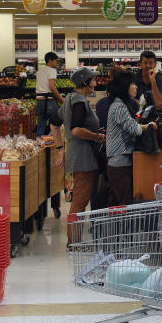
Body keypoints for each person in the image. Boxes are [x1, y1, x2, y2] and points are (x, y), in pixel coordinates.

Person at [60, 67, 106, 243]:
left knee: (80, 199)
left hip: (76, 154)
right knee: (80, 201)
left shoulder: (69, 99)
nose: (95, 82)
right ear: (85, 83)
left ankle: (74, 241)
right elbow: (77, 130)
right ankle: (74, 242)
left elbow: (54, 122)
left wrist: (59, 149)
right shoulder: (79, 101)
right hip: (83, 157)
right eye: (93, 80)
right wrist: (97, 137)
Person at [102, 70, 156, 206]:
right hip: (120, 163)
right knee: (125, 203)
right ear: (124, 86)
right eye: (132, 83)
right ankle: (123, 228)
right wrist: (149, 126)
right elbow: (134, 129)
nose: (136, 87)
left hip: (118, 162)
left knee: (116, 203)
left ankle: (115, 227)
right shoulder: (119, 106)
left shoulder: (118, 104)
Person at [36, 52, 64, 138]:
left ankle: (39, 147)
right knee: (56, 125)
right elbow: (52, 87)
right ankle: (55, 147)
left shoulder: (39, 71)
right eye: (55, 60)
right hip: (49, 102)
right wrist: (61, 99)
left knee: (41, 125)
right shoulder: (52, 70)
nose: (57, 62)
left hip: (40, 102)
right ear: (49, 60)